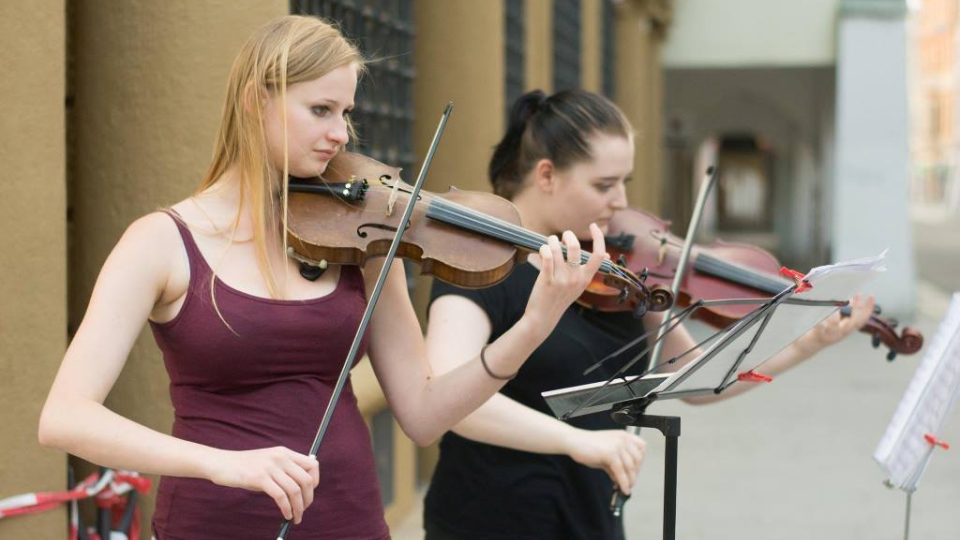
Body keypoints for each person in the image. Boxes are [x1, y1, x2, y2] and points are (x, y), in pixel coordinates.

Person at [37, 16, 608, 540]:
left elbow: (424, 414)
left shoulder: (355, 242)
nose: (341, 134)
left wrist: (535, 324)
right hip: (212, 525)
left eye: (347, 113)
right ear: (253, 102)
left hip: (351, 521)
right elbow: (65, 417)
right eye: (321, 110)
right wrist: (221, 461)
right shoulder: (161, 242)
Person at [421, 89, 876, 540]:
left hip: (593, 514)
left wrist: (807, 342)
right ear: (546, 175)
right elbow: (450, 400)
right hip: (489, 519)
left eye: (625, 182)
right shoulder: (478, 263)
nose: (620, 201)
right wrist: (576, 440)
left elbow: (699, 378)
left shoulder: (616, 273)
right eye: (604, 185)